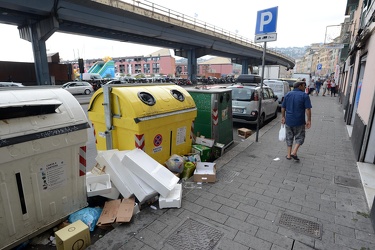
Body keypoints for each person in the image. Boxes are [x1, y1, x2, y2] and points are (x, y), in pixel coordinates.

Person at [281, 81, 312, 161]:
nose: (305, 87)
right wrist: (309, 120)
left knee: (289, 137)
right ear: (299, 86)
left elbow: (283, 108)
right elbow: (307, 109)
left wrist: (283, 117)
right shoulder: (304, 96)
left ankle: (288, 155)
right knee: (300, 137)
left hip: (289, 121)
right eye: (304, 86)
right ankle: (294, 152)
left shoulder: (287, 95)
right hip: (299, 121)